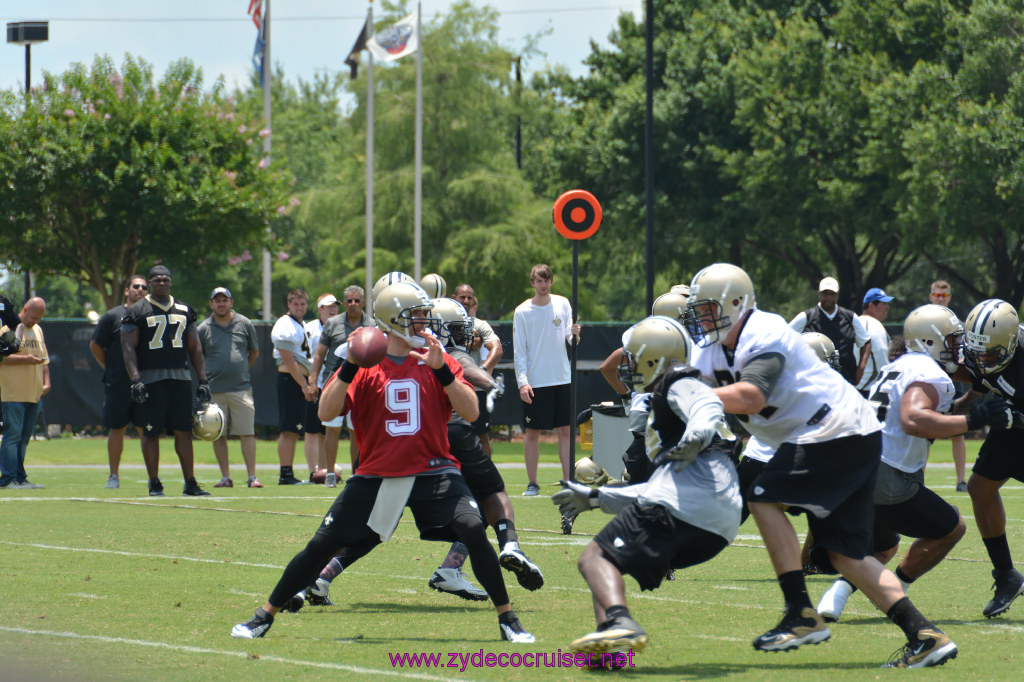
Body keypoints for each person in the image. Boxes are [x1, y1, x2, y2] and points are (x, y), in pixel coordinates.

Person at [685, 263, 957, 668]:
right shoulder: (709, 347)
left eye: (708, 309)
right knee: (844, 554)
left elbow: (751, 396)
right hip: (848, 433)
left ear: (736, 304)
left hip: (834, 429)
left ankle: (800, 613)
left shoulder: (764, 331)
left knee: (762, 496)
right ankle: (925, 635)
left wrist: (686, 395)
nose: (701, 318)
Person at [230, 281, 534, 644]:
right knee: (322, 544)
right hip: (376, 472)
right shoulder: (364, 363)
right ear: (394, 319)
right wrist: (347, 368)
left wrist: (441, 371)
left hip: (433, 467)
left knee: (472, 527)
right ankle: (264, 615)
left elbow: (469, 411)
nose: (425, 322)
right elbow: (327, 411)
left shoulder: (436, 357)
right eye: (418, 315)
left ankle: (508, 619)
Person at [304, 297, 543, 605]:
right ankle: (506, 548)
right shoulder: (439, 354)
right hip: (435, 445)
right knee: (486, 497)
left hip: (394, 447)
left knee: (372, 526)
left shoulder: (391, 352)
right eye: (455, 327)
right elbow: (473, 379)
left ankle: (319, 576)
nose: (463, 335)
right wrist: (488, 379)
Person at [552, 315, 741, 663]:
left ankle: (620, 622)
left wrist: (697, 433)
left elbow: (707, 405)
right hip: (719, 523)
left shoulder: (678, 384)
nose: (630, 366)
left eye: (635, 357)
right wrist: (597, 497)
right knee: (607, 554)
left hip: (688, 509)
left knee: (593, 558)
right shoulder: (664, 400)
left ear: (655, 357)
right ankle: (610, 651)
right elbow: (659, 489)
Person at [817, 305, 972, 623]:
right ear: (931, 342)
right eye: (952, 340)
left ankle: (837, 594)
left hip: (854, 469)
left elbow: (929, 410)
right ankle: (894, 593)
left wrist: (972, 400)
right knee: (952, 528)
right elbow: (915, 418)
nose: (958, 347)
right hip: (885, 474)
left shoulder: (899, 366)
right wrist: (976, 419)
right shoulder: (933, 375)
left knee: (884, 546)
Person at [958, 299, 1024, 618]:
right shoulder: (975, 350)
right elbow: (978, 382)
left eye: (990, 353)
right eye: (977, 351)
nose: (982, 359)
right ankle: (1007, 576)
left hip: (1017, 421)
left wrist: (1017, 418)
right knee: (979, 488)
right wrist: (959, 406)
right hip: (1010, 430)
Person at [121, 266, 210, 497]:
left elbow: (195, 347)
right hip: (152, 378)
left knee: (183, 431)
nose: (162, 283)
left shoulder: (184, 309)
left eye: (166, 280)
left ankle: (190, 482)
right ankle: (154, 481)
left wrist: (202, 379)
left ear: (171, 282)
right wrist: (136, 379)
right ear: (150, 283)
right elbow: (128, 347)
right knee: (150, 432)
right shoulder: (138, 310)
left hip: (180, 377)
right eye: (157, 280)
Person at [512, 263, 581, 495]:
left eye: (547, 280)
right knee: (532, 432)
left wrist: (575, 335)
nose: (543, 285)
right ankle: (533, 483)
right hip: (535, 381)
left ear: (552, 281)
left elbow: (571, 341)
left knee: (565, 431)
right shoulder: (522, 311)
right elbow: (519, 350)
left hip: (562, 378)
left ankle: (567, 481)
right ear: (532, 283)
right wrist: (523, 381)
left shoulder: (563, 303)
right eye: (539, 281)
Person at [197, 287, 261, 489]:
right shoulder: (203, 328)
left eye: (225, 300)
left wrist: (238, 370)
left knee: (247, 433)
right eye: (217, 301)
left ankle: (252, 477)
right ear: (211, 304)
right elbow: (199, 358)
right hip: (214, 390)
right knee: (218, 434)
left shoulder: (245, 323)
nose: (221, 304)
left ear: (231, 302)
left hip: (241, 389)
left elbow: (254, 353)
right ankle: (225, 477)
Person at [310, 285, 372, 486]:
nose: (353, 304)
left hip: (361, 383)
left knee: (357, 430)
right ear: (344, 303)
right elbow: (320, 354)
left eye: (357, 300)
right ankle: (330, 472)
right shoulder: (332, 323)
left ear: (363, 302)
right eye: (349, 300)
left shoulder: (372, 324)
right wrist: (313, 379)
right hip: (334, 381)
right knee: (332, 429)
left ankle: (356, 471)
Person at [89, 275, 147, 488]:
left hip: (144, 383)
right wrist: (111, 369)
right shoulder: (112, 316)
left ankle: (153, 476)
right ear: (126, 290)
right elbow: (95, 345)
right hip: (118, 384)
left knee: (146, 429)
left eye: (144, 287)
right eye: (136, 286)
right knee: (117, 428)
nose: (140, 290)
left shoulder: (150, 316)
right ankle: (113, 475)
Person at [0, 297, 50, 490]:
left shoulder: (37, 330)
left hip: (33, 393)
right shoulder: (7, 329)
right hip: (13, 394)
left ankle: (20, 477)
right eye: (33, 317)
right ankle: (7, 478)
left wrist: (47, 381)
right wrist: (26, 359)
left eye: (39, 319)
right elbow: (2, 358)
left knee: (24, 438)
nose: (35, 321)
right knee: (12, 437)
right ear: (25, 309)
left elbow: (44, 359)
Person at [271, 288, 317, 485]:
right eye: (296, 304)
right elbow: (288, 360)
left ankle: (288, 472)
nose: (300, 307)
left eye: (303, 304)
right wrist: (304, 385)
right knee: (288, 429)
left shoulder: (301, 324)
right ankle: (285, 473)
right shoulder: (284, 324)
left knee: (294, 428)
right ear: (289, 305)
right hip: (290, 380)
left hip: (297, 380)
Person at [789, 277, 871, 386]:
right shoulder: (807, 317)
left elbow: (866, 342)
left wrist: (861, 368)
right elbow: (786, 337)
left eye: (832, 294)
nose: (828, 297)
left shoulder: (850, 317)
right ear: (819, 294)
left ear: (837, 295)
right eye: (825, 293)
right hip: (814, 381)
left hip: (845, 380)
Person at [453, 284, 504, 456]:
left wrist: (482, 371)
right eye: (462, 297)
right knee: (451, 436)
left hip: (477, 390)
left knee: (482, 436)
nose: (466, 301)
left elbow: (497, 349)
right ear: (454, 298)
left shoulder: (480, 325)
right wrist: (466, 345)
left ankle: (486, 479)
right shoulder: (444, 323)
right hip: (453, 388)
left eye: (469, 298)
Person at [928, 281, 968, 491]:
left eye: (944, 295)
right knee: (924, 432)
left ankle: (961, 481)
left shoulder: (956, 323)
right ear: (930, 296)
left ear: (950, 297)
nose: (940, 298)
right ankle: (918, 477)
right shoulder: (923, 321)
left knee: (957, 431)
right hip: (930, 381)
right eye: (937, 294)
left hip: (953, 380)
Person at [303, 293, 338, 479]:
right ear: (320, 309)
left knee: (327, 428)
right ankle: (312, 471)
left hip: (334, 384)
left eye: (335, 305)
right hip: (315, 383)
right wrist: (311, 381)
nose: (333, 309)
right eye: (328, 306)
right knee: (311, 429)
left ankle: (324, 470)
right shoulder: (309, 329)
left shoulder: (341, 326)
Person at [856, 288, 894, 396]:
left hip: (861, 389)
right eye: (884, 303)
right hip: (869, 390)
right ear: (871, 305)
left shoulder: (860, 322)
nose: (887, 307)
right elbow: (880, 357)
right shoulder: (870, 324)